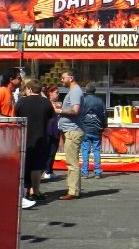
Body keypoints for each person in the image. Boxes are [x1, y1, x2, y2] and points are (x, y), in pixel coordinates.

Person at [15, 79, 54, 201]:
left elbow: (14, 117)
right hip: (41, 138)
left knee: (24, 165)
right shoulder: (46, 103)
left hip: (24, 137)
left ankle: (24, 192)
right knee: (37, 167)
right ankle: (35, 192)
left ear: (30, 89)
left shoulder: (21, 102)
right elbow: (51, 118)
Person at [55, 71, 85, 200]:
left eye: (63, 78)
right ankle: (73, 189)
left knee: (71, 163)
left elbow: (75, 110)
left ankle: (73, 191)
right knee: (71, 162)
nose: (62, 80)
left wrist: (59, 110)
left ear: (71, 78)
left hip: (72, 130)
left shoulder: (75, 91)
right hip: (70, 130)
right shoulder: (74, 91)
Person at [81, 82, 107, 179]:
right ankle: (97, 171)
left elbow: (79, 114)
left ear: (86, 90)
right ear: (94, 91)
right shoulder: (100, 100)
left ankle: (85, 171)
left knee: (85, 150)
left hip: (85, 128)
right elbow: (104, 114)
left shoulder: (83, 100)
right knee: (96, 150)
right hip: (97, 128)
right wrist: (104, 125)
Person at [43, 85, 62, 180]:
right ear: (50, 93)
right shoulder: (46, 103)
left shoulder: (57, 103)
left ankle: (50, 169)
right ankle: (46, 170)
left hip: (56, 129)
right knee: (48, 151)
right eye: (56, 92)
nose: (58, 94)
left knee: (53, 151)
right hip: (48, 129)